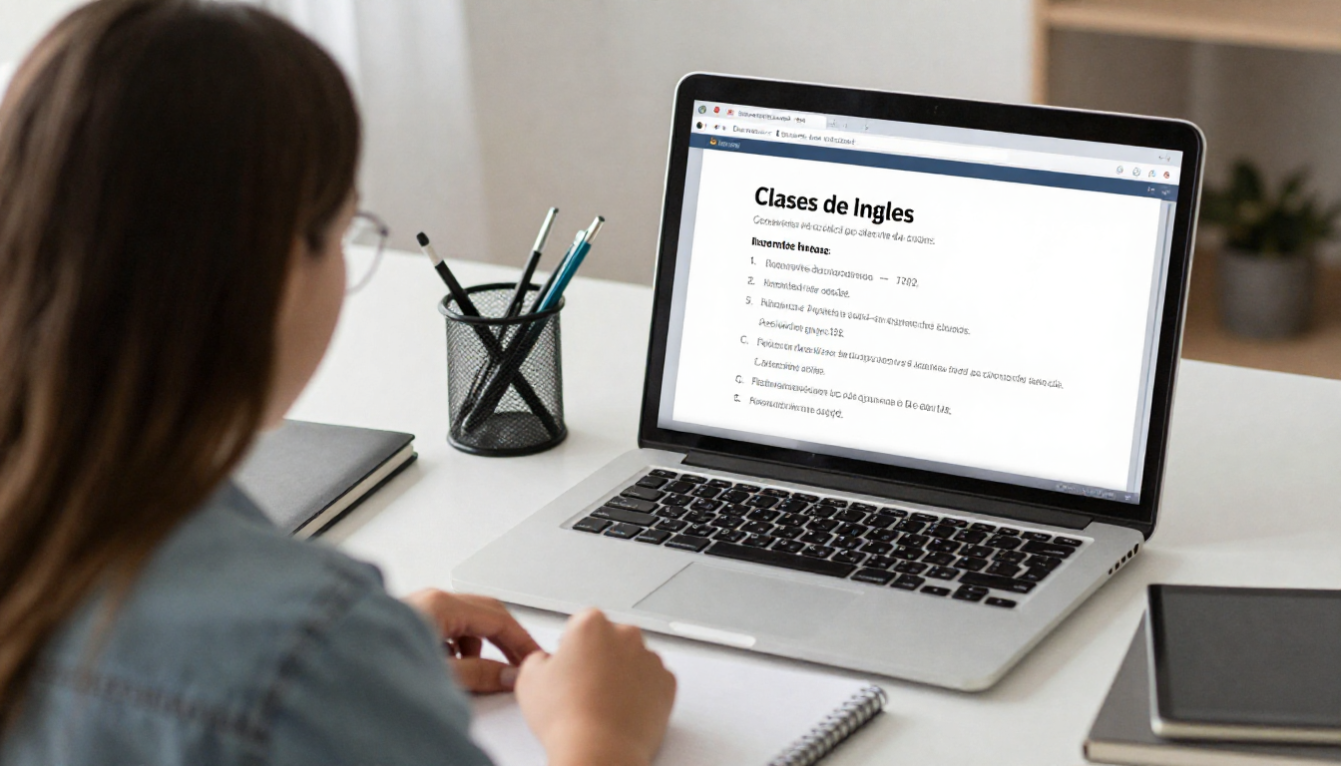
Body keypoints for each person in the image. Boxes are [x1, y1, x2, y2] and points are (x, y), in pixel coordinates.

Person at [0, 1, 676, 764]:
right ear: (275, 271)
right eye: (346, 227)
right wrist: (601, 733)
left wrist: (361, 667)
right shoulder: (303, 660)